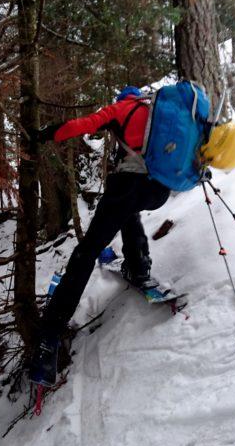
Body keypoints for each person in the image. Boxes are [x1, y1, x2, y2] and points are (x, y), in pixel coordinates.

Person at [30, 85, 169, 384]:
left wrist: (48, 133)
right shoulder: (159, 113)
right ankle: (138, 265)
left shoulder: (121, 109)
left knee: (88, 250)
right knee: (129, 213)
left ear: (123, 100)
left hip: (129, 185)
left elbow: (84, 125)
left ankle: (51, 331)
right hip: (159, 190)